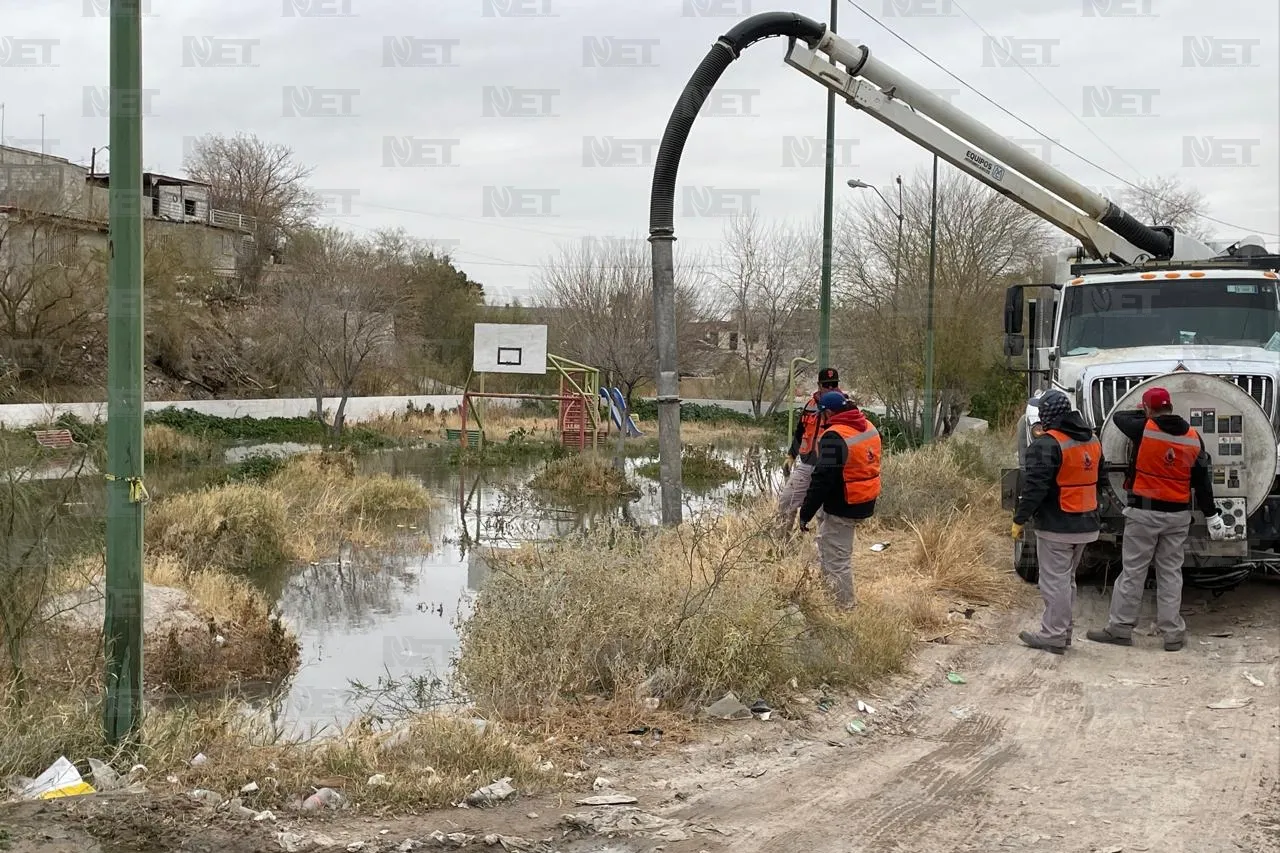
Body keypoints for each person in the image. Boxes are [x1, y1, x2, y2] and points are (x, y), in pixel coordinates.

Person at [1087, 387, 1227, 652]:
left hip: (1144, 513)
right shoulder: (1194, 438)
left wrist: (1142, 412)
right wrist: (1211, 515)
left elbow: (1118, 418)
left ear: (1148, 409)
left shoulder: (1144, 428)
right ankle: (1172, 634)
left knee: (1133, 572)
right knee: (1171, 573)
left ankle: (1120, 629)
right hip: (1177, 516)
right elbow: (1203, 483)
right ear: (1171, 407)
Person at [1011, 389, 1104, 654]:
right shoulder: (1092, 440)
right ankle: (1063, 632)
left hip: (1057, 525)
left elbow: (1034, 489)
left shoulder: (1047, 445)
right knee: (1067, 580)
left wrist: (1020, 519)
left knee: (1054, 582)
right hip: (1087, 523)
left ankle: (1052, 635)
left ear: (1048, 414)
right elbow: (1102, 478)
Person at [796, 392, 880, 610]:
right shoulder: (867, 426)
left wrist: (805, 513)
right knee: (828, 546)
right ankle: (828, 596)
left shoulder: (835, 436)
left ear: (829, 413)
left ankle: (844, 609)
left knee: (837, 559)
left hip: (845, 503)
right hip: (863, 498)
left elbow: (822, 479)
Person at [777, 367, 843, 530]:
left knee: (823, 514)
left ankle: (819, 551)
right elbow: (800, 433)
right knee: (787, 501)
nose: (830, 388)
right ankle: (781, 547)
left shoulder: (843, 406)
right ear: (819, 385)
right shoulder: (810, 405)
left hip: (828, 468)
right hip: (806, 465)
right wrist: (791, 456)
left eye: (833, 385)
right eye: (826, 385)